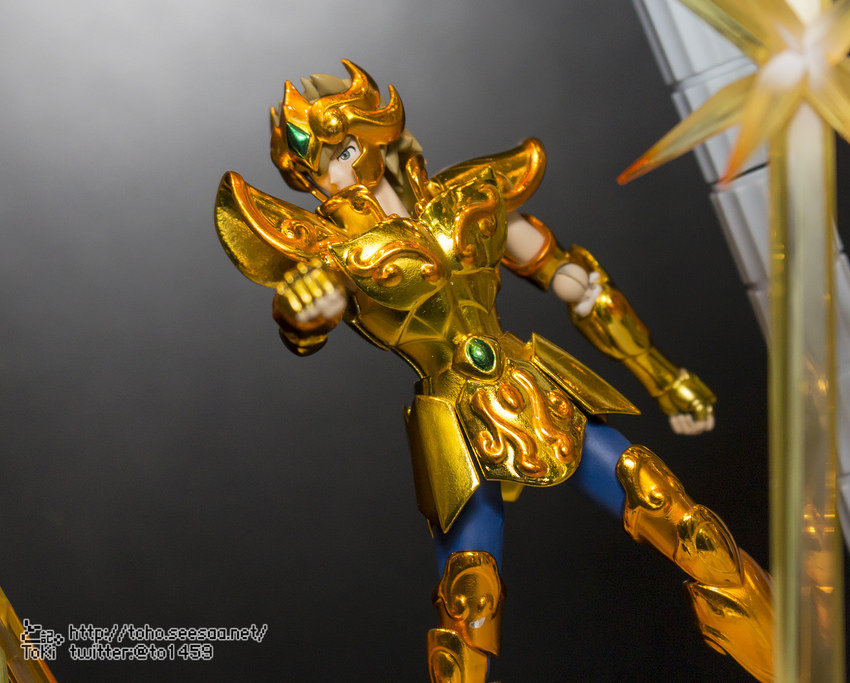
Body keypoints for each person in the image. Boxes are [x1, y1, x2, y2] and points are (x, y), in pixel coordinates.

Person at [214, 60, 772, 682]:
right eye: (315, 172)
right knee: (469, 602)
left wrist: (664, 377)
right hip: (452, 423)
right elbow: (310, 313)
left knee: (684, 523)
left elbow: (577, 283)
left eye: (341, 153)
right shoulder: (340, 255)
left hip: (531, 382)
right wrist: (302, 314)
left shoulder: (469, 200)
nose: (333, 179)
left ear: (377, 137)